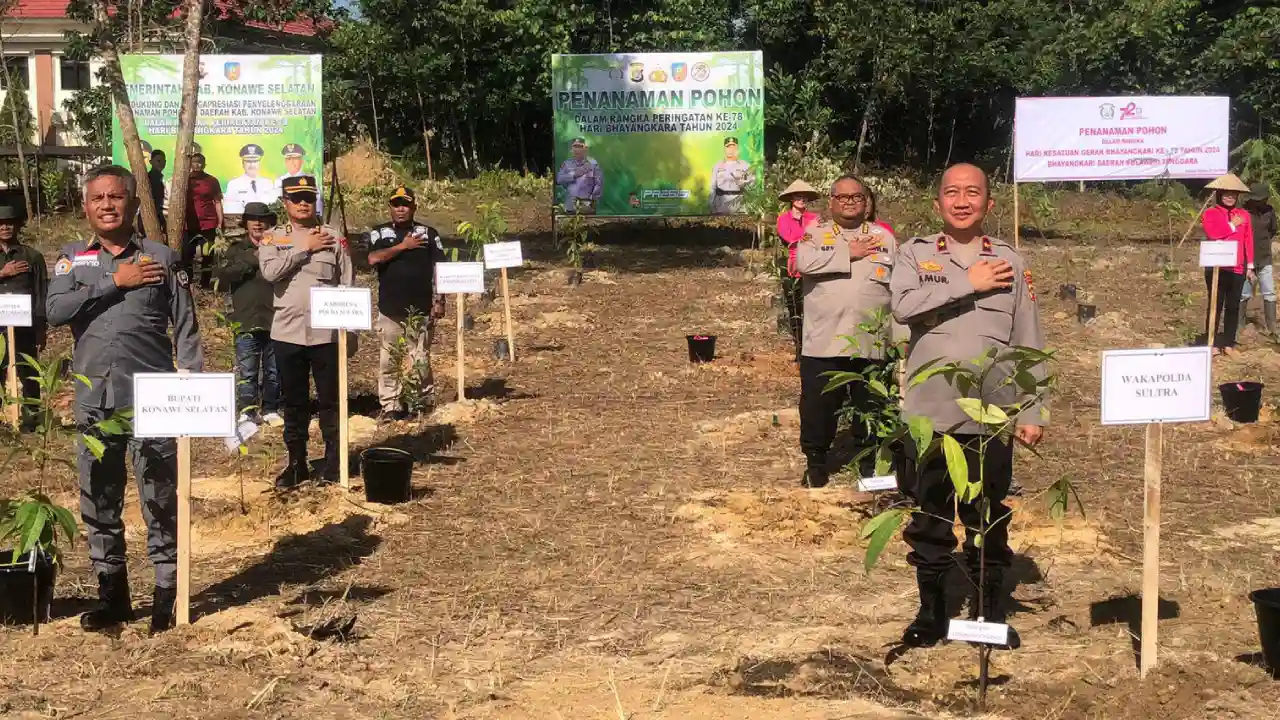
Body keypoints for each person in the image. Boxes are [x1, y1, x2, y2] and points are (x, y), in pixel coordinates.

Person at [890, 163, 1045, 650]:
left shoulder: (1010, 261)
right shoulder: (914, 255)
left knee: (988, 514)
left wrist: (1033, 409)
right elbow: (903, 306)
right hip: (930, 414)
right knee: (931, 515)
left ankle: (986, 611)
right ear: (937, 203)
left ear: (988, 204)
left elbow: (1027, 337)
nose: (961, 200)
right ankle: (931, 612)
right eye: (951, 192)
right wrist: (969, 283)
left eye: (972, 193)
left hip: (992, 415)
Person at [47, 164, 203, 634]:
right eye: (98, 198)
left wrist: (192, 384)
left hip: (153, 399)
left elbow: (188, 327)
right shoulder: (73, 259)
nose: (108, 205)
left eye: (116, 197)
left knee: (160, 495)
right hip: (94, 401)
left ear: (135, 203)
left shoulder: (162, 257)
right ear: (86, 206)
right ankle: (113, 595)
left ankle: (165, 595)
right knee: (99, 496)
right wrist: (117, 281)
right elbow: (55, 311)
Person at [793, 175, 896, 489]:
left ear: (866, 203)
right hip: (825, 341)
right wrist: (847, 253)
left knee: (871, 408)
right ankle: (816, 463)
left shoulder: (883, 237)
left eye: (857, 197)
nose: (850, 202)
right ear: (831, 201)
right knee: (819, 408)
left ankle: (869, 467)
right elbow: (804, 263)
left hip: (872, 341)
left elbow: (899, 285)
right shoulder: (816, 233)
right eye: (843, 197)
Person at [259, 175, 352, 489]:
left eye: (308, 198)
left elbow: (347, 281)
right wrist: (303, 247)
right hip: (288, 334)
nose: (302, 203)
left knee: (331, 402)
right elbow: (270, 272)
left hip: (326, 335)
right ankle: (296, 463)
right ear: (285, 203)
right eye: (296, 198)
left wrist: (349, 331)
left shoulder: (333, 236)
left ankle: (334, 462)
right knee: (295, 403)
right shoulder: (273, 238)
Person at [367, 186, 446, 422]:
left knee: (419, 358)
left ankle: (420, 402)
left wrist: (440, 300)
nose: (400, 209)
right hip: (390, 309)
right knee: (389, 359)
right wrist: (403, 246)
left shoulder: (429, 233)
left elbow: (439, 268)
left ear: (414, 207)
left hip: (421, 308)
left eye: (405, 204)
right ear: (390, 207)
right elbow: (373, 259)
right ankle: (390, 405)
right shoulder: (378, 233)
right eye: (396, 204)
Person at [213, 202, 282, 427]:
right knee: (247, 369)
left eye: (262, 219)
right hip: (245, 318)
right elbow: (222, 278)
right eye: (253, 219)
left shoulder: (281, 247)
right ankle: (247, 410)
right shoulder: (235, 250)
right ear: (246, 223)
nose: (258, 223)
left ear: (271, 223)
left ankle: (271, 408)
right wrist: (252, 259)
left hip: (276, 318)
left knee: (274, 369)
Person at [0, 205, 47, 430]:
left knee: (29, 372)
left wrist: (41, 328)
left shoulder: (32, 256)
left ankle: (31, 420)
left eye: (10, 222)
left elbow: (41, 294)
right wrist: (3, 273)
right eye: (1, 223)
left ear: (18, 226)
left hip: (25, 327)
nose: (5, 227)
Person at [1201, 173, 1253, 356]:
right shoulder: (1211, 213)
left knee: (1233, 306)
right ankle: (1212, 343)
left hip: (1238, 267)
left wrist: (1250, 266)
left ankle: (1229, 343)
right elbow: (1214, 233)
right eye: (1226, 194)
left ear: (1237, 196)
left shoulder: (1244, 214)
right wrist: (1231, 225)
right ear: (1219, 195)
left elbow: (1248, 240)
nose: (1230, 197)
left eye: (1233, 194)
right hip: (1217, 268)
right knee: (1215, 304)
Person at [183, 152, 224, 289]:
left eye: (200, 162)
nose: (197, 165)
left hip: (208, 224)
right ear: (190, 164)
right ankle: (188, 284)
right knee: (187, 254)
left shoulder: (212, 181)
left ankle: (205, 285)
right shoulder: (184, 180)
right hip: (189, 225)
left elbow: (217, 202)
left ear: (204, 164)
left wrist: (220, 222)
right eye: (194, 162)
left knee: (207, 255)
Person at [1241, 182, 1276, 336]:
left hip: (1264, 257)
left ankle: (1272, 327)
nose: (1260, 202)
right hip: (1247, 258)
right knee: (1244, 293)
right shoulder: (1243, 212)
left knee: (1269, 292)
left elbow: (1273, 230)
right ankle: (1239, 325)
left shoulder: (1270, 211)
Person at [225, 143, 280, 214]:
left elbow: (273, 207)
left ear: (259, 163)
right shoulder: (233, 184)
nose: (252, 165)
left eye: (255, 161)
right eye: (248, 161)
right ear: (243, 163)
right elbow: (230, 210)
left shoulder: (268, 183)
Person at [555, 138, 602, 214]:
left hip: (587, 208)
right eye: (575, 146)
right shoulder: (567, 164)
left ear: (585, 149)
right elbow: (559, 179)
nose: (577, 149)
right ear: (571, 149)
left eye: (580, 146)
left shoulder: (593, 164)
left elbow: (598, 185)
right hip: (570, 207)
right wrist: (574, 175)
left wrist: (591, 200)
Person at [710, 137, 753, 215]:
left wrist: (743, 184)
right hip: (721, 203)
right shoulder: (717, 166)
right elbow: (713, 187)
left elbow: (752, 185)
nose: (731, 150)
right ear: (724, 149)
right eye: (728, 147)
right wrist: (711, 204)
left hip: (739, 203)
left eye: (733, 147)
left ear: (737, 149)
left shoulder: (745, 166)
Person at [147, 149, 167, 232]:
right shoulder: (149, 178)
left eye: (163, 161)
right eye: (158, 160)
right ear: (150, 162)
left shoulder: (160, 178)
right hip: (151, 218)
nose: (161, 163)